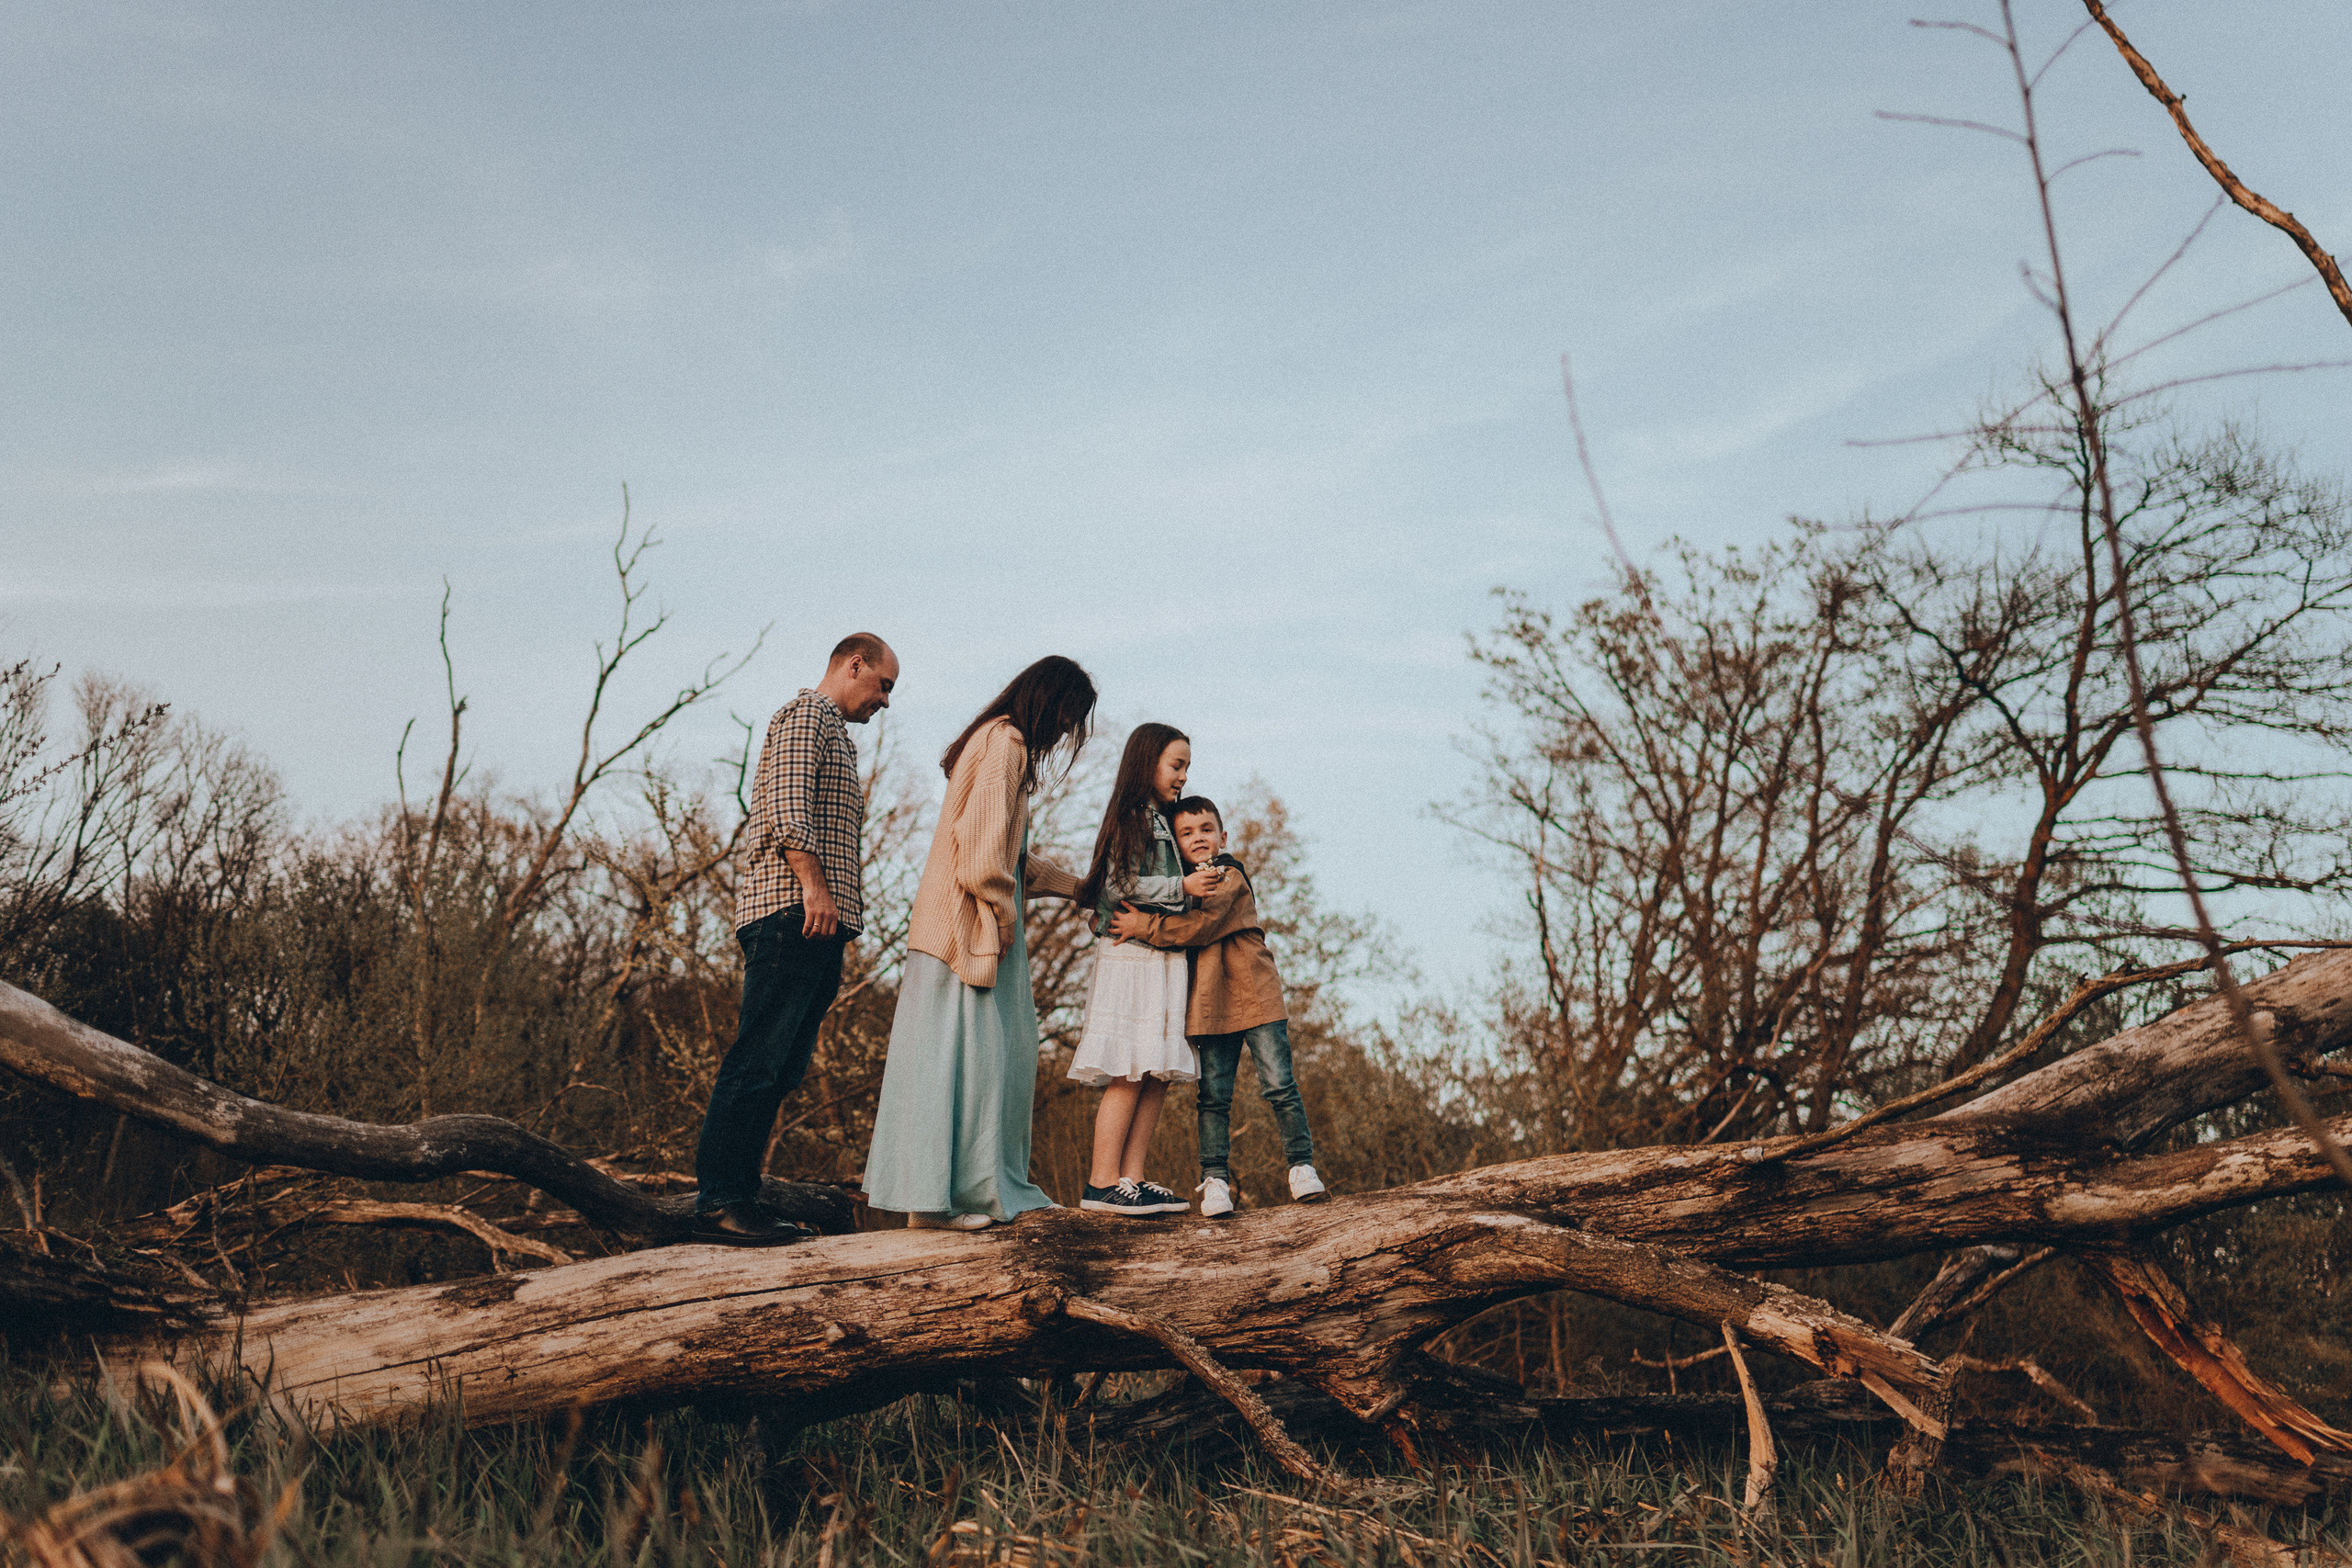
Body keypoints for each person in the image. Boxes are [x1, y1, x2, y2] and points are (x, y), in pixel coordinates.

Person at [863, 655, 1099, 1230]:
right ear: (1051, 702)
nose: (1068, 732)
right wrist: (1003, 913)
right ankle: (960, 1199)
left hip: (946, 929)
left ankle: (932, 1205)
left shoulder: (991, 738)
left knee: (947, 1063)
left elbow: (1008, 857)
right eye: (1070, 718)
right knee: (977, 1065)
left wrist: (1078, 889)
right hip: (966, 933)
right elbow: (984, 853)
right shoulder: (1008, 743)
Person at [692, 633, 898, 1246]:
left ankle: (742, 1193)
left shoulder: (835, 732)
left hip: (817, 922)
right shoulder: (807, 713)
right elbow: (785, 805)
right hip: (792, 912)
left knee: (782, 1066)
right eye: (882, 683)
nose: (885, 699)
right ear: (853, 664)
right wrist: (813, 886)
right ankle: (720, 1199)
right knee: (759, 1057)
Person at [1109, 795, 1326, 1218]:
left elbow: (1203, 926)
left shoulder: (1228, 874)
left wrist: (1143, 926)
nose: (1199, 838)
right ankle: (1215, 1180)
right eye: (1187, 833)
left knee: (1280, 1085)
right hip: (1209, 1004)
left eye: (1206, 830)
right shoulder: (1180, 887)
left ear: (1222, 835)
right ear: (1175, 842)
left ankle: (1302, 1168)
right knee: (1213, 1097)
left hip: (1256, 994)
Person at [1067, 725, 1222, 1217]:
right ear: (1147, 762)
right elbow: (1119, 883)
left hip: (1162, 956)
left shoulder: (1163, 819)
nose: (1182, 776)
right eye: (1176, 765)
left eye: (1186, 768)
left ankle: (1129, 1179)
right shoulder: (1132, 817)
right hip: (1132, 958)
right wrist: (1184, 886)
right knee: (1130, 1068)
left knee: (1157, 1070)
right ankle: (1100, 1182)